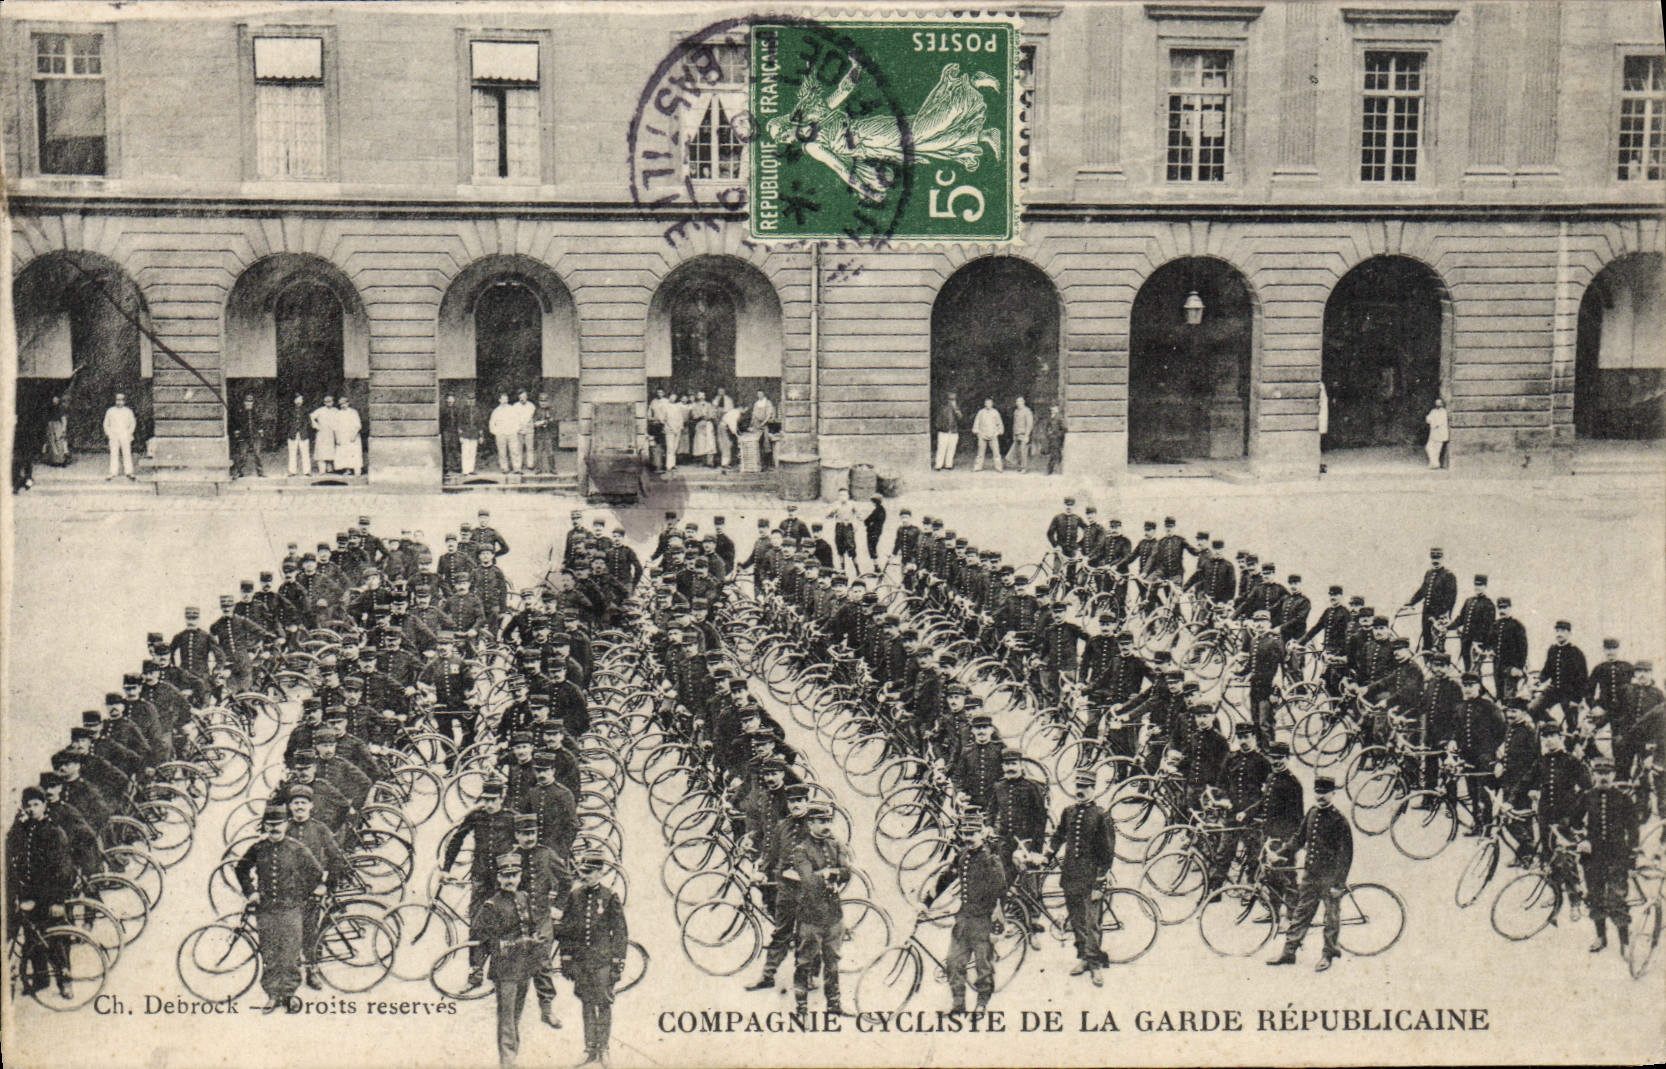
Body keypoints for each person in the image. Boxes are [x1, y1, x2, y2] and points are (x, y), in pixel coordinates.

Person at [468, 851, 554, 1069]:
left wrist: (535, 940)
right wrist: (476, 967)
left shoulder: (523, 897)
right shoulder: (491, 905)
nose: (510, 880)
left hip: (524, 966)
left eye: (514, 875)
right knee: (506, 1017)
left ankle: (512, 1053)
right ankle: (507, 1061)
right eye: (505, 876)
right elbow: (478, 938)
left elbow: (533, 925)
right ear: (498, 878)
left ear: (519, 876)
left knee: (516, 1013)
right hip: (505, 968)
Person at [235, 808, 325, 1012]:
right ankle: (273, 995)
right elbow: (241, 868)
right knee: (270, 953)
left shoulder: (297, 848)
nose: (274, 828)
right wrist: (251, 892)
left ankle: (290, 994)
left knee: (290, 953)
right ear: (265, 826)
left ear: (286, 825)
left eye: (279, 824)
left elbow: (316, 872)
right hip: (266, 909)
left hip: (291, 909)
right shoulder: (258, 848)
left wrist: (302, 893)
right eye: (270, 825)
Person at [1267, 775, 1353, 972]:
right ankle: (1289, 952)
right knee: (1300, 913)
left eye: (1325, 793)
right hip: (1311, 875)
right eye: (1318, 792)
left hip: (1329, 877)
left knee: (1331, 918)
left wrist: (1338, 884)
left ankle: (1328, 954)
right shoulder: (1312, 813)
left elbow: (1345, 857)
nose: (1320, 796)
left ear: (1333, 794)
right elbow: (1298, 839)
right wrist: (1280, 854)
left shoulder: (1339, 820)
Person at [923, 813, 1007, 1013]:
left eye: (972, 833)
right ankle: (958, 1005)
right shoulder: (962, 856)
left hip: (983, 921)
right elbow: (946, 877)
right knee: (953, 963)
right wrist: (927, 902)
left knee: (983, 967)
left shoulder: (991, 860)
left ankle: (982, 1003)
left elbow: (1000, 894)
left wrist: (996, 926)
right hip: (963, 920)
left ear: (981, 833)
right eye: (964, 833)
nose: (968, 838)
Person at [554, 850, 629, 1069]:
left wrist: (617, 963)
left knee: (603, 1003)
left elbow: (620, 932)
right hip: (581, 960)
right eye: (582, 872)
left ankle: (603, 1048)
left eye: (589, 872)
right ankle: (590, 1049)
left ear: (600, 872)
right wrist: (566, 959)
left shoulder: (610, 897)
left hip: (602, 960)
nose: (584, 876)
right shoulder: (575, 895)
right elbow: (567, 929)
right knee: (586, 1003)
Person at [1045, 769, 1115, 983]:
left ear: (1093, 789)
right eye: (1078, 787)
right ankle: (1083, 957)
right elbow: (1058, 836)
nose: (1080, 791)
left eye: (1085, 787)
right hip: (1071, 875)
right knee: (1076, 920)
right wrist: (1047, 855)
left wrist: (1100, 879)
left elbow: (1108, 851)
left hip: (1091, 877)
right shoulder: (1069, 812)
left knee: (1092, 922)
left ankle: (1095, 965)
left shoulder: (1101, 815)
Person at [782, 803, 851, 1016]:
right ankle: (801, 1008)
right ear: (810, 823)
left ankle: (834, 1005)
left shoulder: (837, 844)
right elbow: (809, 881)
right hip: (811, 915)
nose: (826, 825)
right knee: (804, 962)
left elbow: (846, 872)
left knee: (832, 962)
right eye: (821, 821)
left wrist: (830, 873)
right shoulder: (801, 850)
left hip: (833, 914)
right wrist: (828, 874)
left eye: (829, 821)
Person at [7, 788, 75, 998]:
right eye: (28, 805)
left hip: (49, 893)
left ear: (45, 805)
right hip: (30, 893)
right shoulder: (25, 828)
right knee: (32, 939)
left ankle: (65, 982)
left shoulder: (54, 831)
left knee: (55, 940)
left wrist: (57, 901)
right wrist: (18, 823)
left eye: (36, 804)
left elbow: (63, 869)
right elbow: (10, 846)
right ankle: (40, 980)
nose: (32, 809)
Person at [1577, 757, 1638, 955]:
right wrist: (1581, 839)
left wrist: (1632, 855)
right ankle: (1600, 936)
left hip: (1617, 857)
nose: (1603, 777)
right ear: (1594, 775)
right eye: (1599, 773)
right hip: (1593, 857)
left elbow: (1633, 829)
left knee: (1616, 899)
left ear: (1613, 775)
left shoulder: (1623, 798)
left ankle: (1625, 942)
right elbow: (1572, 821)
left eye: (1607, 773)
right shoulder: (1587, 797)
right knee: (1594, 897)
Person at [103, 391, 137, 480]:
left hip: (124, 434)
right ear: (115, 401)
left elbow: (132, 423)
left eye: (121, 400)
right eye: (117, 400)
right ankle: (113, 472)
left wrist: (129, 433)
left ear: (124, 401)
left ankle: (129, 472)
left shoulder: (128, 411)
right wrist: (109, 433)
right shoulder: (110, 411)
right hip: (114, 435)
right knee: (114, 453)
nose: (119, 402)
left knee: (127, 453)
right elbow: (106, 424)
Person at [231, 393, 264, 479]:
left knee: (257, 454)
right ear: (244, 403)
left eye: (250, 402)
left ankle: (260, 472)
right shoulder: (240, 412)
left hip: (254, 435)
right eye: (247, 402)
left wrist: (260, 429)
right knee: (242, 455)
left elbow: (260, 421)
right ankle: (240, 472)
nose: (249, 404)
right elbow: (236, 422)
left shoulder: (256, 412)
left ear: (253, 403)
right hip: (244, 436)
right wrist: (237, 431)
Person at [971, 398, 1005, 473]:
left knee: (996, 452)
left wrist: (997, 432)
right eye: (986, 403)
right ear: (984, 404)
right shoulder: (981, 412)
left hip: (993, 435)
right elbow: (976, 422)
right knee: (980, 453)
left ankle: (999, 467)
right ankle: (977, 467)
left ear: (992, 404)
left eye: (989, 403)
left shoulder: (995, 412)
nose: (988, 405)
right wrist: (978, 432)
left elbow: (1000, 423)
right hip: (982, 435)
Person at [334, 395, 364, 475]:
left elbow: (358, 425)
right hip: (342, 436)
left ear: (348, 403)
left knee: (355, 452)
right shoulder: (338, 413)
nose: (343, 405)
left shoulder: (353, 412)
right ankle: (347, 470)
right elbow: (336, 427)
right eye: (341, 404)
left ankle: (357, 470)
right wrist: (337, 438)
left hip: (352, 435)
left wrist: (354, 435)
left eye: (345, 403)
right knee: (345, 453)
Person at [933, 391, 963, 470]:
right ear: (947, 400)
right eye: (951, 399)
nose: (952, 401)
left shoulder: (957, 409)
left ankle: (948, 464)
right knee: (941, 448)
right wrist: (941, 428)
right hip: (944, 431)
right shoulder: (943, 408)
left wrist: (956, 410)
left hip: (953, 431)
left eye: (954, 399)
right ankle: (938, 465)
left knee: (951, 448)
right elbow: (938, 421)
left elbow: (960, 419)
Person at [284, 394, 311, 476]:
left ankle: (307, 471)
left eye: (301, 399)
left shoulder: (306, 410)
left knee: (305, 453)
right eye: (297, 399)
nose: (299, 401)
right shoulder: (289, 411)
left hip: (303, 434)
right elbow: (286, 422)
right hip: (293, 434)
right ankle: (292, 471)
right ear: (294, 401)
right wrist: (290, 430)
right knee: (292, 453)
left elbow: (308, 422)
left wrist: (305, 430)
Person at [533, 393, 559, 474]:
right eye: (541, 401)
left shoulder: (551, 410)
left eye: (545, 401)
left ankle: (552, 468)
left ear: (548, 401)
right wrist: (541, 422)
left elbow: (555, 421)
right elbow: (534, 423)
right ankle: (538, 468)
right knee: (539, 452)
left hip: (548, 434)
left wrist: (551, 421)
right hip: (539, 434)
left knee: (550, 452)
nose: (543, 403)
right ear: (539, 402)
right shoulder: (537, 411)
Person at [310, 394, 336, 473]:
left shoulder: (336, 411)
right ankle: (322, 469)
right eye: (326, 402)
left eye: (330, 401)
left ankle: (329, 467)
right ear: (324, 403)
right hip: (322, 433)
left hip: (331, 433)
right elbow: (311, 416)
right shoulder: (320, 410)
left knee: (330, 450)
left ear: (333, 402)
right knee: (321, 450)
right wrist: (316, 426)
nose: (328, 403)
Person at [662, 393, 688, 473]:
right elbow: (663, 419)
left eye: (674, 397)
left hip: (677, 429)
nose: (673, 399)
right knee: (670, 447)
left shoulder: (677, 407)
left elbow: (680, 418)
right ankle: (668, 465)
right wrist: (671, 427)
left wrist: (680, 427)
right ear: (669, 397)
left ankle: (673, 464)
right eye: (671, 397)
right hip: (669, 429)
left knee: (675, 447)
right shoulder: (665, 406)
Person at [458, 394, 483, 476]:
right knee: (465, 452)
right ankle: (465, 470)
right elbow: (460, 424)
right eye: (469, 399)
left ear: (474, 401)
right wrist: (460, 435)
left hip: (474, 434)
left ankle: (471, 469)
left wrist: (481, 436)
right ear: (467, 400)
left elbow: (480, 424)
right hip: (465, 434)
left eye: (472, 400)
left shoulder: (477, 410)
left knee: (472, 452)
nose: (471, 401)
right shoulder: (463, 410)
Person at [513, 389, 537, 473]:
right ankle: (518, 465)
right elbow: (514, 419)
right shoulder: (515, 406)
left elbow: (532, 417)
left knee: (530, 448)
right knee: (518, 448)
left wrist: (528, 425)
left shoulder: (531, 406)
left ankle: (530, 464)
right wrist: (518, 427)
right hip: (519, 430)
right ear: (518, 397)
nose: (522, 399)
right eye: (520, 397)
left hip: (529, 429)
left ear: (527, 397)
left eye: (524, 397)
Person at [692, 391, 717, 466]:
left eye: (703, 395)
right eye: (700, 395)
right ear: (697, 396)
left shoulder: (709, 405)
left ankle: (710, 462)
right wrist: (700, 415)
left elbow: (713, 414)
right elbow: (694, 415)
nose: (701, 397)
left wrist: (708, 416)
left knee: (710, 442)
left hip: (708, 424)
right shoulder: (695, 405)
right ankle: (701, 461)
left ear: (705, 396)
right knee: (700, 443)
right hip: (699, 424)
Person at [440, 392, 464, 475]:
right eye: (449, 399)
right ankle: (446, 467)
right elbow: (441, 422)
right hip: (446, 431)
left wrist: (459, 429)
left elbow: (459, 420)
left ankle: (456, 467)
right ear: (446, 400)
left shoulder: (456, 409)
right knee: (446, 449)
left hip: (454, 431)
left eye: (452, 399)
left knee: (455, 448)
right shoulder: (443, 410)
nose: (450, 401)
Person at [44, 393, 70, 467]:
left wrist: (64, 428)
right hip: (50, 424)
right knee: (52, 441)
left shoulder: (61, 408)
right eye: (53, 399)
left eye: (56, 399)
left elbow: (63, 418)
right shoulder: (50, 409)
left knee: (59, 441)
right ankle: (54, 460)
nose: (55, 400)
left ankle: (61, 459)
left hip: (58, 424)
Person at [1010, 396, 1034, 472]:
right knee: (1018, 452)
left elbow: (1029, 424)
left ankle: (1024, 468)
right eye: (1017, 402)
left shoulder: (1027, 411)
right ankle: (1020, 466)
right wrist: (1014, 435)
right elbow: (1014, 423)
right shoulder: (1016, 411)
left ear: (1023, 402)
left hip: (1024, 434)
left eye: (1019, 402)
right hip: (1017, 434)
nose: (1018, 403)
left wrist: (1027, 435)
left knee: (1023, 451)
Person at [1424, 396, 1450, 469]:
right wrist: (1430, 421)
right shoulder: (1433, 411)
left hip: (1440, 433)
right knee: (1428, 447)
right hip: (1433, 433)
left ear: (1442, 404)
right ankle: (1435, 463)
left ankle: (1434, 463)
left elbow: (1439, 422)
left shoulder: (1443, 412)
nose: (1437, 404)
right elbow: (1428, 418)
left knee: (1437, 449)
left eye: (1439, 403)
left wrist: (1432, 422)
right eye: (1436, 402)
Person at [1042, 404, 1068, 474]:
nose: (1053, 409)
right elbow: (1047, 427)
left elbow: (1065, 428)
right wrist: (1048, 434)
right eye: (1052, 408)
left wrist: (1058, 435)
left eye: (1054, 408)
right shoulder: (1050, 417)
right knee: (1057, 454)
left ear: (1057, 409)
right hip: (1051, 439)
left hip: (1056, 439)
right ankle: (1060, 469)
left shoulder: (1059, 417)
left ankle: (1049, 470)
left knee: (1054, 454)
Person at [863, 495, 887, 569]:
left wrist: (869, 523)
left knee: (872, 548)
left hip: (873, 532)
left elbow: (868, 520)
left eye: (873, 501)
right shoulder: (880, 510)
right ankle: (876, 565)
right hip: (876, 532)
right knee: (873, 548)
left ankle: (877, 566)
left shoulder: (878, 511)